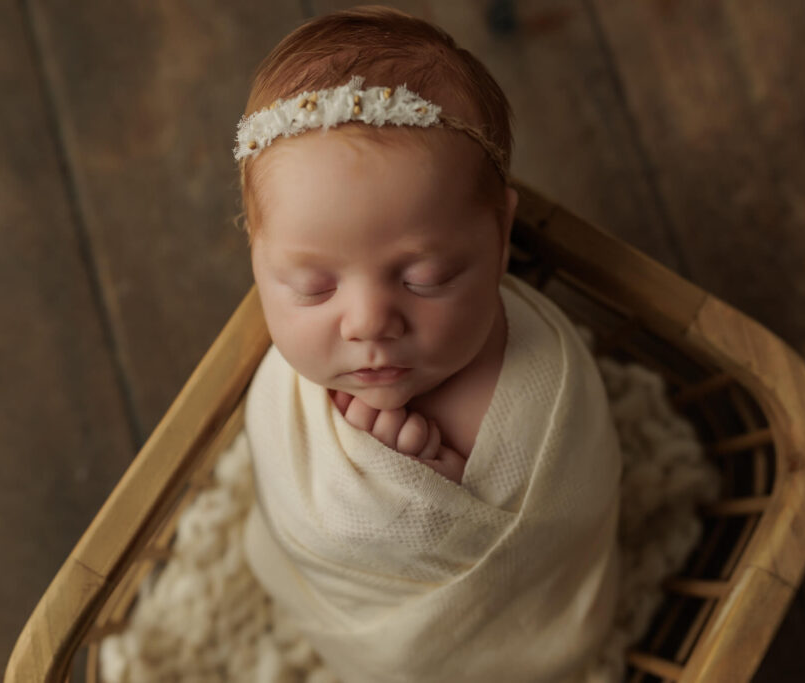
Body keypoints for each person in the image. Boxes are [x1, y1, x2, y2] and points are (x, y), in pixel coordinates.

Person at [236, 7, 623, 682]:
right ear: (255, 254)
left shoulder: (543, 391)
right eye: (312, 285)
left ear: (501, 234)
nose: (368, 322)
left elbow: (555, 539)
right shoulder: (288, 378)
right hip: (349, 620)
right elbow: (290, 501)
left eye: (426, 276)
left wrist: (427, 512)